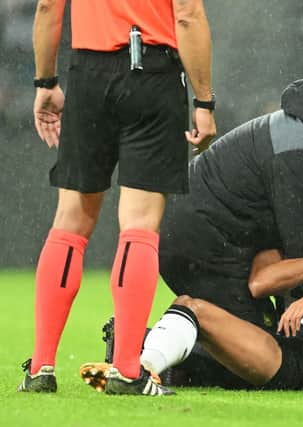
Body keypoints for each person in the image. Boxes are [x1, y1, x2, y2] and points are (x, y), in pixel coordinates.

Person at [19, 0, 217, 396]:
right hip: (153, 72)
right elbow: (187, 15)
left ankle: (41, 367)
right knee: (140, 224)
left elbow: (46, 9)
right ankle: (127, 370)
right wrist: (205, 102)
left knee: (70, 222)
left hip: (87, 72)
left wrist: (45, 83)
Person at [80, 167, 303, 395]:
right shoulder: (298, 222)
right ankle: (141, 370)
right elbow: (260, 283)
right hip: (289, 351)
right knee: (189, 306)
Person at [158, 62, 303, 332]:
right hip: (203, 247)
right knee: (256, 349)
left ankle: (162, 348)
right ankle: (147, 356)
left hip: (193, 239)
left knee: (246, 339)